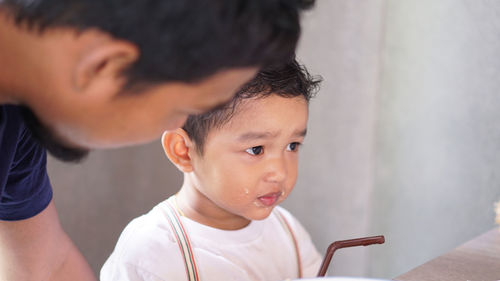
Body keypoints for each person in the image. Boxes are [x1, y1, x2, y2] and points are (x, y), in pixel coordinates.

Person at [0, 1, 315, 280]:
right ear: (105, 67)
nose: (181, 126)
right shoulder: (154, 249)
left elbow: (44, 266)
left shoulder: (20, 123)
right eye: (183, 109)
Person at [101, 59, 323, 281]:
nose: (280, 173)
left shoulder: (288, 232)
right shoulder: (152, 251)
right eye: (256, 149)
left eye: (292, 146)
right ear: (183, 151)